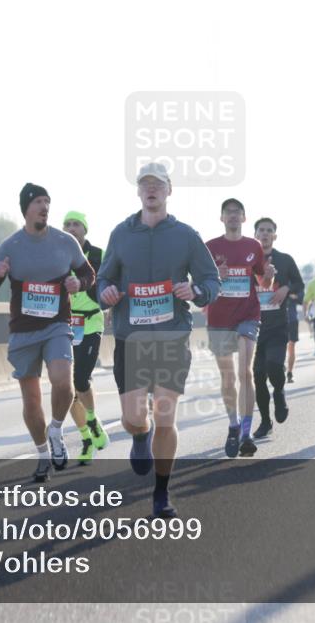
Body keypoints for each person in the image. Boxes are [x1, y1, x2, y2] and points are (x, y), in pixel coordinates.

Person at [98, 162, 220, 518]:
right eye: (145, 184)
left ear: (169, 190)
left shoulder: (185, 235)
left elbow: (212, 281)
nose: (151, 190)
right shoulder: (121, 233)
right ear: (138, 191)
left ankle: (161, 493)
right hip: (131, 339)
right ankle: (139, 436)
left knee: (165, 416)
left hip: (171, 338)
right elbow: (103, 277)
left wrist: (195, 290)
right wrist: (104, 291)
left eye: (158, 184)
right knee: (135, 418)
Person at [0, 184, 95, 483]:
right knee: (32, 402)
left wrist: (80, 284)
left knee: (64, 383)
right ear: (26, 208)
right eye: (38, 202)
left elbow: (88, 274)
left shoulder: (65, 242)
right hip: (23, 331)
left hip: (57, 325)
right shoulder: (10, 245)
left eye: (47, 202)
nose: (44, 207)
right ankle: (43, 455)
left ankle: (57, 429)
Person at [205, 199, 275, 457]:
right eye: (228, 213)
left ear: (244, 218)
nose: (233, 216)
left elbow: (263, 283)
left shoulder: (253, 246)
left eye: (237, 212)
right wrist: (216, 276)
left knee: (245, 371)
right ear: (221, 218)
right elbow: (200, 282)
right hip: (219, 318)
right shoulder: (210, 247)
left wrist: (269, 275)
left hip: (248, 314)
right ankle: (233, 425)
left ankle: (246, 432)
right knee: (228, 377)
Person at [62, 211, 109, 465]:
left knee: (81, 380)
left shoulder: (98, 255)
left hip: (90, 323)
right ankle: (88, 438)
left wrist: (81, 283)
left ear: (85, 230)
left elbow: (100, 288)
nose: (71, 228)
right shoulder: (57, 254)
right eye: (67, 224)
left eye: (76, 224)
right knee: (64, 388)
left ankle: (92, 419)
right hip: (64, 326)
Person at [251, 217, 303, 438]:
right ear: (255, 234)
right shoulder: (248, 260)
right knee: (258, 375)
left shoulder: (285, 260)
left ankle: (279, 392)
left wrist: (286, 289)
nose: (265, 233)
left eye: (269, 230)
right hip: (253, 327)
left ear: (275, 235)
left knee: (273, 367)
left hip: (278, 326)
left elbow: (299, 287)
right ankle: (265, 421)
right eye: (261, 230)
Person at [285, 296, 300, 384]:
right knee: (280, 345)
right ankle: (279, 363)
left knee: (291, 346)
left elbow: (301, 298)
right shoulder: (275, 283)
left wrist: (291, 294)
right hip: (278, 320)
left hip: (292, 320)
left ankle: (290, 372)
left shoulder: (294, 283)